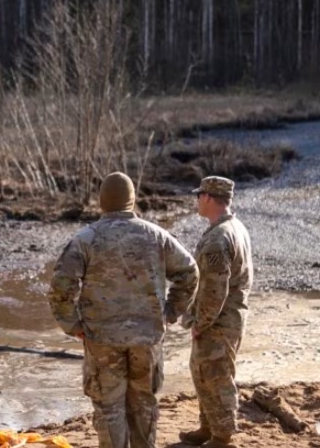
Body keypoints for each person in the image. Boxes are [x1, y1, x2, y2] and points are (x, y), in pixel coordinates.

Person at [48, 171, 199, 448]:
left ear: (102, 202)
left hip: (102, 338)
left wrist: (73, 325)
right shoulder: (156, 235)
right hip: (147, 337)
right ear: (132, 201)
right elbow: (189, 272)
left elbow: (60, 287)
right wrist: (169, 313)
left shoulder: (86, 239)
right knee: (144, 403)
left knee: (109, 408)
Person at [179, 176, 254, 448]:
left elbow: (215, 290)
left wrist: (200, 322)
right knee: (203, 371)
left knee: (217, 376)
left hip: (219, 321)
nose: (197, 200)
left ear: (209, 198)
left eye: (199, 195)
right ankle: (208, 428)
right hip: (229, 317)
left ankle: (222, 437)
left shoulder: (218, 238)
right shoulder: (233, 227)